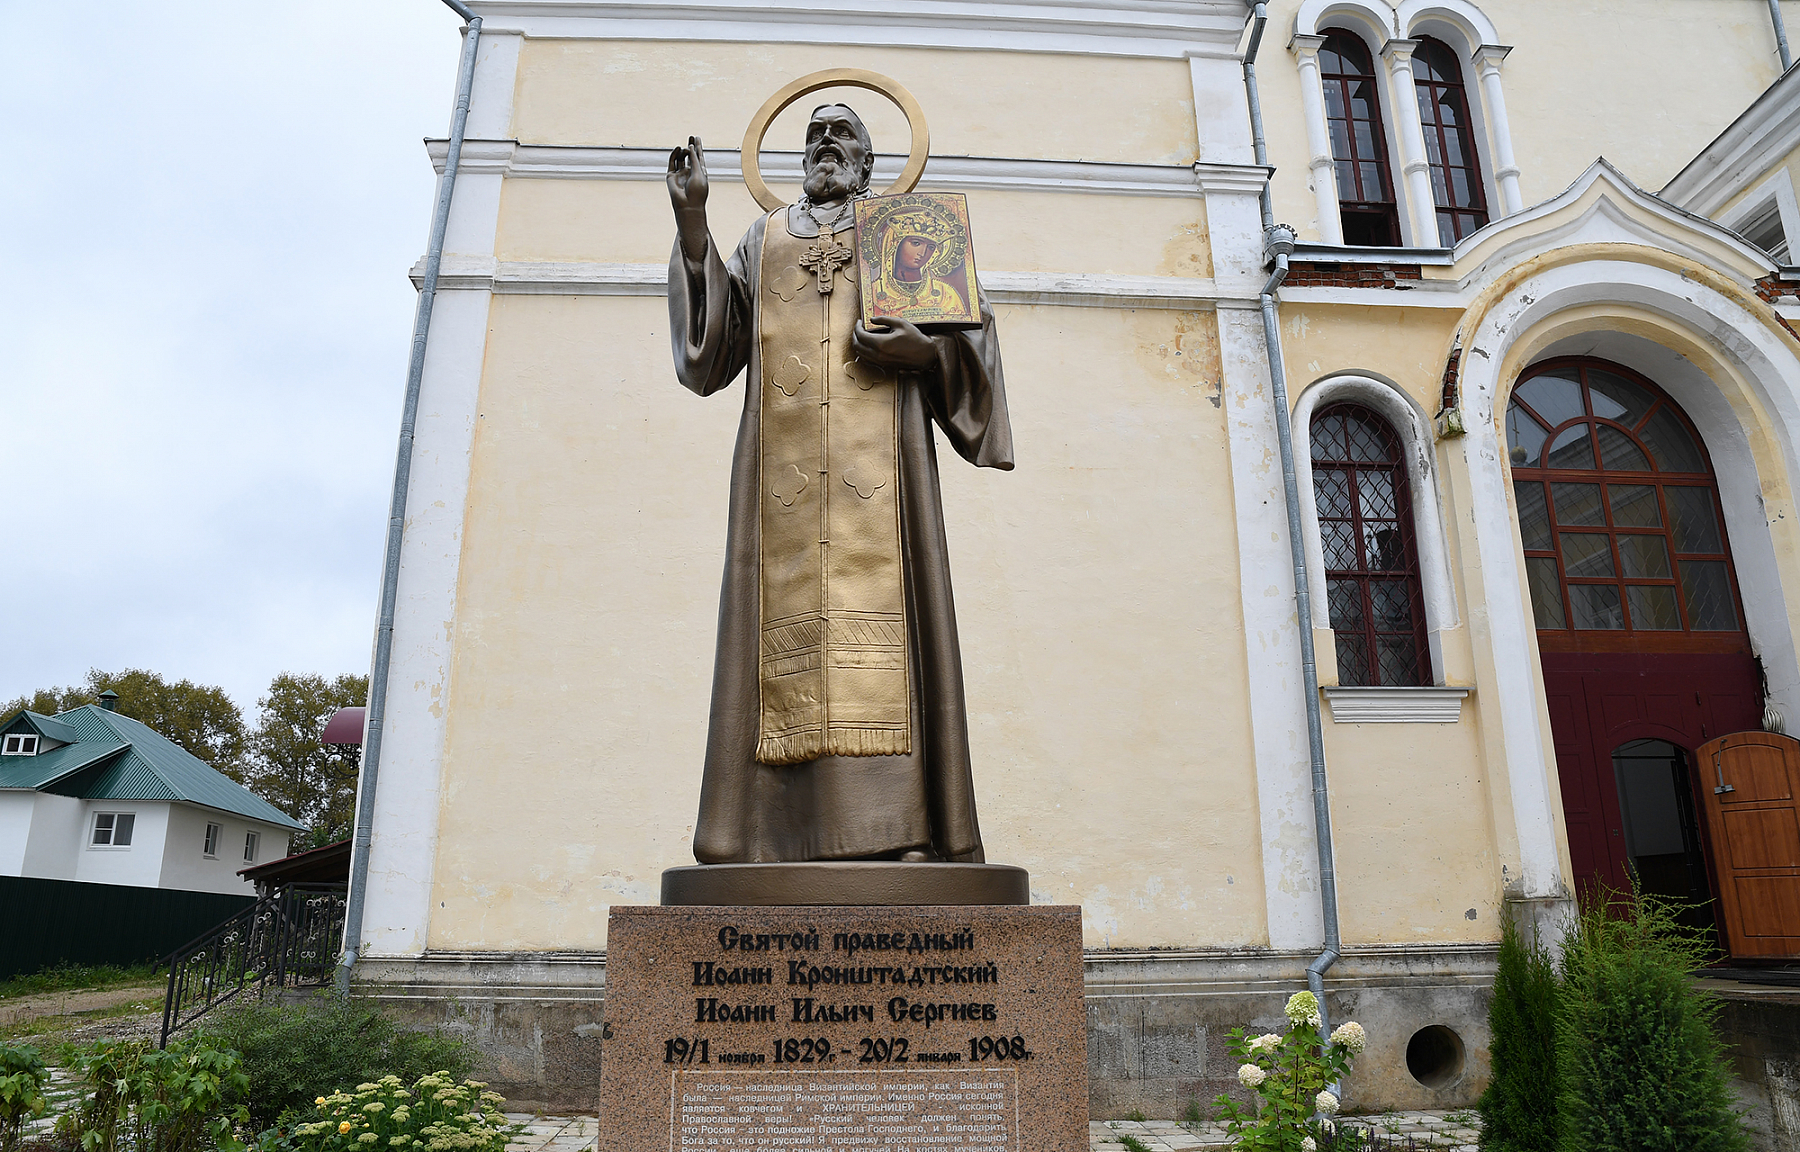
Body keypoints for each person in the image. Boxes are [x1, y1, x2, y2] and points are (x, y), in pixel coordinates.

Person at [666, 104, 1012, 864]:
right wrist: (696, 225)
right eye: (816, 132)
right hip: (780, 486)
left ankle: (907, 832)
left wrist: (923, 352)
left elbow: (971, 354)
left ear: (868, 159)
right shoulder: (765, 238)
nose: (826, 141)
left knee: (891, 643)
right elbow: (711, 355)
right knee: (773, 642)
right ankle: (766, 837)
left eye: (843, 133)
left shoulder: (907, 232)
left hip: (883, 476)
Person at [867, 209, 970, 321]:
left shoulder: (945, 293)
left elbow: (960, 331)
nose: (923, 253)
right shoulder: (872, 292)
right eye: (916, 243)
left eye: (931, 247)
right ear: (894, 245)